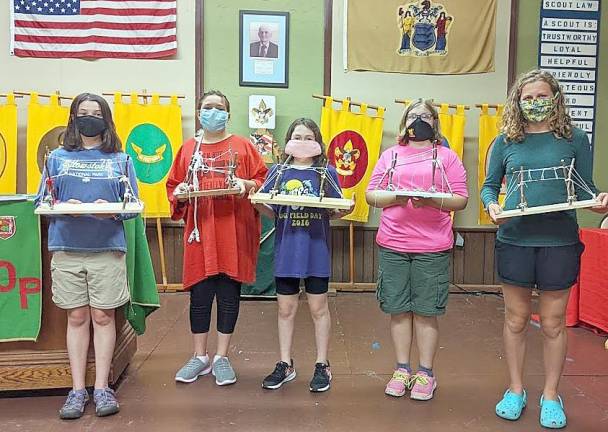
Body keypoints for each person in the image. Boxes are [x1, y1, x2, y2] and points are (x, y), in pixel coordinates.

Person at [481, 69, 608, 429]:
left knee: (553, 323)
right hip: (515, 240)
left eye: (541, 96)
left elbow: (585, 190)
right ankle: (516, 389)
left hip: (559, 242)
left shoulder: (575, 139)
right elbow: (490, 187)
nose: (534, 103)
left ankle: (551, 395)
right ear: (517, 102)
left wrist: (599, 202)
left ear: (555, 98)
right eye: (528, 97)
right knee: (515, 319)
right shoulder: (506, 141)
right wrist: (492, 206)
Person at [35, 93, 139, 419]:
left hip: (107, 249)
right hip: (67, 248)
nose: (89, 118)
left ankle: (102, 388)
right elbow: (43, 202)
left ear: (106, 119)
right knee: (76, 317)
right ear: (73, 118)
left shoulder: (120, 159)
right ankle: (77, 389)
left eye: (96, 113)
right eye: (83, 113)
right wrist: (68, 209)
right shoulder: (57, 159)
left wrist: (111, 213)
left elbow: (131, 204)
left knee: (103, 317)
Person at [366, 99, 468, 401]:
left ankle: (425, 373)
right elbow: (372, 193)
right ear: (404, 122)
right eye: (413, 115)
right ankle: (401, 369)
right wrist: (396, 198)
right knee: (398, 310)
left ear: (435, 123)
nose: (419, 120)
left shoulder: (447, 157)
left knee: (425, 311)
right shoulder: (391, 155)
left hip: (432, 246)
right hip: (394, 243)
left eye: (425, 116)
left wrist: (433, 201)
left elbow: (460, 198)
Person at [167, 90, 267, 387]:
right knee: (199, 296)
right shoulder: (188, 149)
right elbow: (173, 184)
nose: (213, 112)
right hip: (200, 233)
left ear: (228, 114)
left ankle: (222, 357)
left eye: (219, 108)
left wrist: (246, 184)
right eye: (207, 107)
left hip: (233, 232)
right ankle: (200, 357)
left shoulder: (244, 147)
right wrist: (180, 194)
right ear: (199, 113)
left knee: (227, 295)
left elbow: (263, 181)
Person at [251, 118, 351, 393]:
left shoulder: (327, 172)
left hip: (316, 251)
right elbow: (272, 211)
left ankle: (322, 364)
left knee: (319, 309)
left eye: (309, 137)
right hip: (287, 251)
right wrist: (258, 204)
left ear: (318, 142)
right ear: (288, 141)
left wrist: (344, 210)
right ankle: (285, 363)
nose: (303, 142)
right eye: (298, 136)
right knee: (285, 309)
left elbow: (335, 208)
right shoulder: (278, 171)